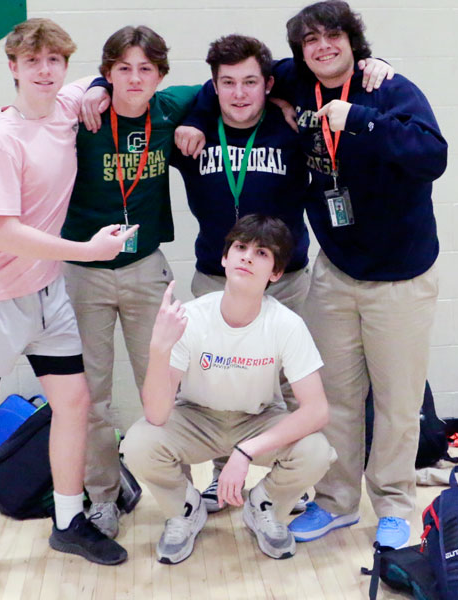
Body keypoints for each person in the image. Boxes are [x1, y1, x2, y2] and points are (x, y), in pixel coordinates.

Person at [0, 18, 133, 590]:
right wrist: (86, 251)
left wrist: (99, 88)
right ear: (14, 68)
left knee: (73, 401)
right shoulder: (2, 139)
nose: (46, 71)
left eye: (55, 61)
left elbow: (97, 85)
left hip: (47, 294)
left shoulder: (68, 103)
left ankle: (69, 521)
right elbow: (1, 230)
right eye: (34, 63)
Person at [172, 34, 392, 512]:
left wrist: (377, 61)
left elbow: (337, 80)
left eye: (251, 82)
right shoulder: (196, 130)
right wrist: (96, 91)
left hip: (288, 281)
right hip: (215, 278)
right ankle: (215, 477)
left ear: (268, 83)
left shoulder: (293, 124)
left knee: (297, 389)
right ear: (213, 87)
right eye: (226, 83)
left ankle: (287, 483)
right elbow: (142, 96)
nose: (239, 93)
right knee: (210, 389)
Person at [270, 1, 448, 550]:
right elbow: (245, 73)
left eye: (334, 36)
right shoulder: (297, 82)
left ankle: (395, 504)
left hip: (401, 275)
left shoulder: (390, 91)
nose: (323, 47)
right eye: (311, 41)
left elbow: (432, 155)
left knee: (397, 402)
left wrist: (363, 121)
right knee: (332, 398)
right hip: (337, 270)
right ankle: (336, 501)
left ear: (354, 42)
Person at [122, 215, 337, 564]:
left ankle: (262, 505)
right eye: (240, 247)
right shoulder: (190, 317)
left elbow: (317, 410)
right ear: (224, 258)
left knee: (317, 451)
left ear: (276, 273)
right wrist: (159, 350)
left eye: (262, 253)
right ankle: (185, 510)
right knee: (139, 443)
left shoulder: (286, 324)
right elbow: (157, 414)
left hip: (258, 418)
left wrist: (245, 452)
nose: (247, 257)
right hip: (196, 418)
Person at [60, 26, 200, 540]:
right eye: (122, 69)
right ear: (107, 73)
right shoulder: (82, 115)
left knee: (163, 390)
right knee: (91, 398)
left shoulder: (168, 110)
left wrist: (199, 123)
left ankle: (180, 497)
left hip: (145, 270)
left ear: (160, 75)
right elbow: (24, 121)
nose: (135, 78)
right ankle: (102, 496)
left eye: (146, 69)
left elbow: (229, 85)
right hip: (84, 274)